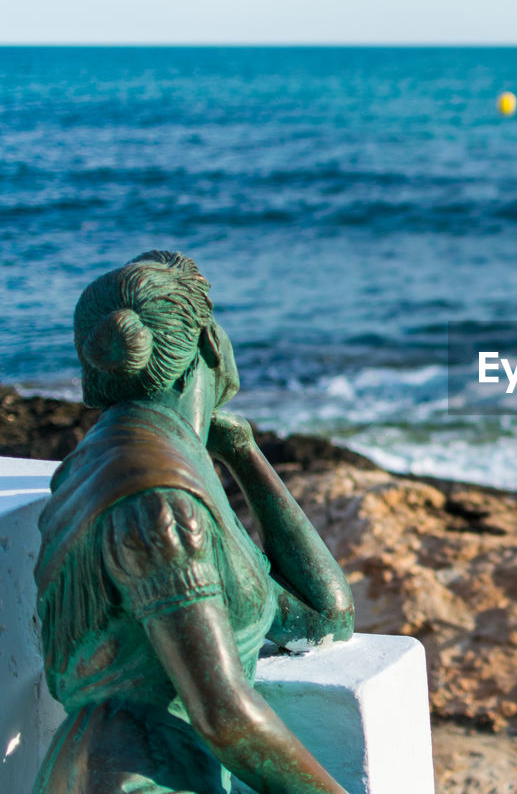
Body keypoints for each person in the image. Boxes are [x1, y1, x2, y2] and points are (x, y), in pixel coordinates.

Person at [34, 250, 354, 793]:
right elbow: (225, 714)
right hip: (147, 779)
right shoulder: (160, 501)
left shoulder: (108, 467)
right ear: (210, 344)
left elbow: (324, 618)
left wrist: (244, 453)